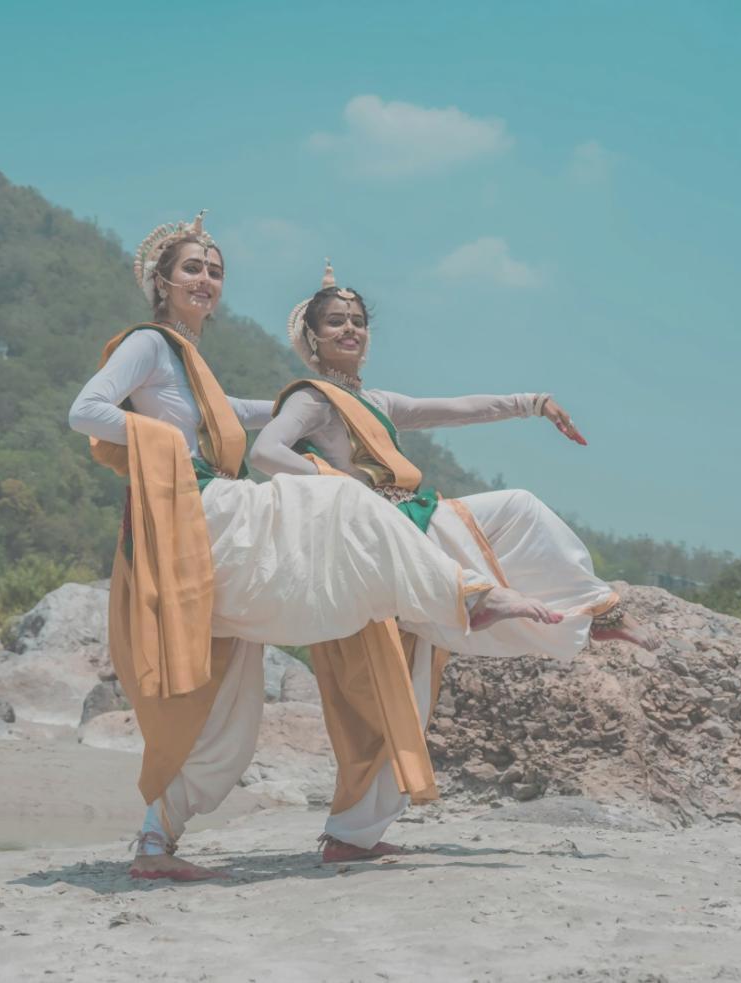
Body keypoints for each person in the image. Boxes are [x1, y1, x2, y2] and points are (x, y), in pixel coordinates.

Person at [68, 216, 559, 880]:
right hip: (194, 510)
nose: (206, 279)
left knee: (225, 710)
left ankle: (155, 843)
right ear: (160, 280)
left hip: (207, 512)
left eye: (214, 270)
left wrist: (317, 406)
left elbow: (244, 413)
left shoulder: (191, 362)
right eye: (191, 268)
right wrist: (166, 447)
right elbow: (87, 409)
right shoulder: (150, 345)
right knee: (342, 500)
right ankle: (468, 594)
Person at [249, 261, 659, 858]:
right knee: (513, 508)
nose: (349, 330)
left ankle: (352, 838)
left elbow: (459, 409)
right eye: (335, 322)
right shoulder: (315, 400)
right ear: (312, 338)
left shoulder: (377, 401)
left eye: (358, 321)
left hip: (414, 521)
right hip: (377, 535)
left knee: (410, 689)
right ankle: (482, 598)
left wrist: (532, 401)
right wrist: (341, 485)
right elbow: (266, 450)